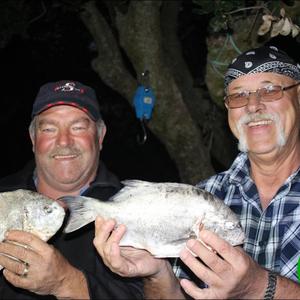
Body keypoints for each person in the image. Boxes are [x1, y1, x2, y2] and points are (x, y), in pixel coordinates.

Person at [93, 45, 300, 299]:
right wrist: (157, 273)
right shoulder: (203, 197)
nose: (253, 106)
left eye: (269, 90)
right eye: (238, 96)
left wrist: (257, 286)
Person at [0, 80, 143, 299]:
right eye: (49, 128)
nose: (64, 141)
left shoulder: (133, 208)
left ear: (100, 135)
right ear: (33, 138)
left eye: (78, 127)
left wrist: (68, 283)